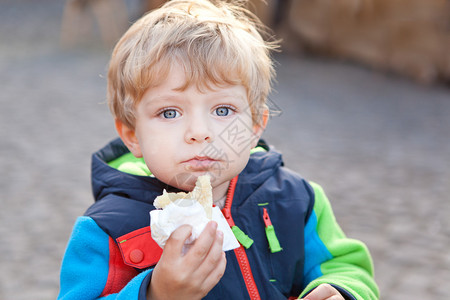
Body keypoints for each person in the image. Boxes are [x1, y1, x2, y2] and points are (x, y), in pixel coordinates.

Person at [57, 0, 379, 299]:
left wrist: (341, 291)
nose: (200, 133)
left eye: (222, 110)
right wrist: (156, 293)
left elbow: (347, 267)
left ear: (255, 126)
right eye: (170, 112)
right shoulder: (106, 232)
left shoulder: (298, 200)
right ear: (132, 135)